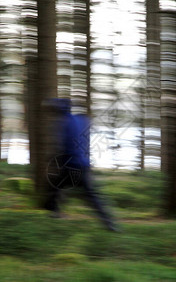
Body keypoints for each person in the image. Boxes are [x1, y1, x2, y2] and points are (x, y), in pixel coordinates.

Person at [43, 98, 119, 232]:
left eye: (53, 109)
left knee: (54, 188)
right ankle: (110, 224)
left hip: (71, 166)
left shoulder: (63, 122)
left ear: (58, 110)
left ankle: (51, 215)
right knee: (92, 196)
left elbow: (61, 146)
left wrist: (52, 159)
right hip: (84, 165)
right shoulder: (82, 120)